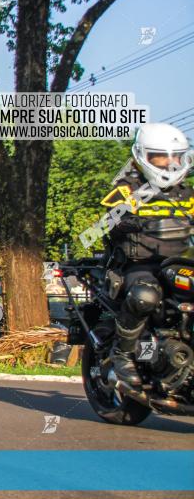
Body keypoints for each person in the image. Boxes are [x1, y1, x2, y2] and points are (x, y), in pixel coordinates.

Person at [100, 123, 194, 387]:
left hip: (180, 263)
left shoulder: (186, 193)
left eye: (175, 156)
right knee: (146, 296)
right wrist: (126, 222)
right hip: (139, 265)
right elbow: (109, 220)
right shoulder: (126, 189)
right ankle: (124, 354)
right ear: (143, 156)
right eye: (161, 156)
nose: (170, 162)